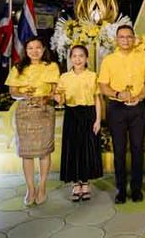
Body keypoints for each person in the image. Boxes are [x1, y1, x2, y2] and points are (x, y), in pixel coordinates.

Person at [98, 25, 145, 204]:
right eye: (122, 37)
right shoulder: (108, 60)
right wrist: (118, 94)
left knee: (137, 148)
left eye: (129, 37)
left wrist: (140, 96)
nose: (126, 40)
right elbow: (103, 86)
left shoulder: (143, 58)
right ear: (116, 40)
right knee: (119, 150)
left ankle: (136, 188)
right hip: (116, 108)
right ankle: (121, 188)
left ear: (134, 39)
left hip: (138, 107)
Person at [5, 36, 60, 206]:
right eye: (30, 48)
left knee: (44, 151)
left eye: (38, 48)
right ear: (26, 51)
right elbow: (13, 91)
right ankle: (30, 188)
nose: (34, 51)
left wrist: (46, 98)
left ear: (43, 50)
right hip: (24, 111)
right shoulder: (18, 67)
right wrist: (23, 94)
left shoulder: (51, 66)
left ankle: (42, 186)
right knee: (27, 153)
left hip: (44, 110)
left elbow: (55, 90)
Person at [55, 45, 103, 202]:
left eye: (81, 56)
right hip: (72, 114)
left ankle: (86, 182)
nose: (78, 59)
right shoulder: (64, 77)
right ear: (70, 59)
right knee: (73, 147)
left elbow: (97, 99)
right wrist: (57, 98)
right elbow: (61, 99)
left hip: (89, 114)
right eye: (74, 56)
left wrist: (97, 120)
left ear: (86, 58)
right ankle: (76, 183)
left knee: (87, 148)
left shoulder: (93, 76)